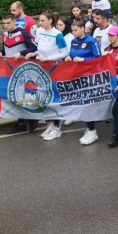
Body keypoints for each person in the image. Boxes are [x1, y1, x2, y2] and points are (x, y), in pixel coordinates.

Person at [27, 10, 69, 141]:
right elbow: (39, 47)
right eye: (39, 20)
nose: (40, 23)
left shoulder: (57, 35)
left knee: (54, 97)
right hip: (42, 69)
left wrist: (49, 58)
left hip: (54, 69)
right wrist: (34, 54)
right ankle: (50, 123)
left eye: (42, 20)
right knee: (45, 97)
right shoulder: (40, 31)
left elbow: (65, 52)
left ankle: (57, 127)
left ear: (50, 21)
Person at [0, 14, 39, 134]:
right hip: (11, 69)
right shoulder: (4, 35)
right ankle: (21, 123)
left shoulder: (23, 33)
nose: (6, 25)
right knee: (15, 95)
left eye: (8, 23)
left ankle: (33, 119)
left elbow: (34, 48)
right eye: (4, 23)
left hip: (24, 69)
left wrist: (21, 53)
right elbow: (6, 49)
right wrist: (0, 52)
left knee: (27, 94)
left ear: (14, 22)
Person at [64, 19, 103, 145]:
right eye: (72, 31)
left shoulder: (92, 41)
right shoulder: (74, 41)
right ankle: (90, 128)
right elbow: (72, 54)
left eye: (76, 30)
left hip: (89, 77)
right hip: (78, 76)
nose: (73, 33)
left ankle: (92, 131)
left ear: (82, 28)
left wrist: (84, 60)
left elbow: (98, 58)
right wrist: (69, 58)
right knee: (82, 103)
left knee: (87, 104)